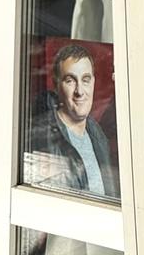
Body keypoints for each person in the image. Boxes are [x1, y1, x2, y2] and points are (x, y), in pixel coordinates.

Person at [27, 43, 119, 200]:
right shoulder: (42, 138)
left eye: (86, 80)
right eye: (70, 80)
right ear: (56, 85)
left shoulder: (98, 134)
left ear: (93, 82)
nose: (80, 91)